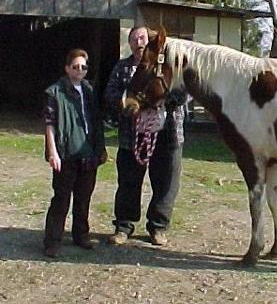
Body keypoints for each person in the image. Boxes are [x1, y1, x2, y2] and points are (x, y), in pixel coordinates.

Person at [104, 26, 186, 246]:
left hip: (168, 134)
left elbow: (182, 95)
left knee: (166, 182)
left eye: (142, 38)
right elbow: (110, 94)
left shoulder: (170, 65)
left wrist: (157, 100)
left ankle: (158, 227)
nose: (138, 42)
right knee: (128, 181)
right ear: (130, 44)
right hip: (132, 136)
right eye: (134, 39)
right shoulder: (122, 68)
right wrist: (127, 105)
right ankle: (124, 226)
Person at [43, 48, 107, 258]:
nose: (80, 70)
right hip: (66, 153)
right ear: (67, 68)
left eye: (83, 67)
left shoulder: (89, 90)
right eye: (75, 66)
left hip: (88, 152)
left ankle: (81, 235)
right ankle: (52, 241)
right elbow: (49, 124)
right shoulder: (55, 92)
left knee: (83, 198)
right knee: (61, 199)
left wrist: (101, 149)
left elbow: (96, 122)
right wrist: (53, 152)